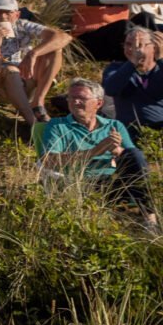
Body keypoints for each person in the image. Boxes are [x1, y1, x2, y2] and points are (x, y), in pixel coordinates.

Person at [36, 79, 154, 227]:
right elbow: (49, 160)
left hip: (113, 182)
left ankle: (150, 218)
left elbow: (133, 158)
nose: (75, 102)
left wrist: (117, 150)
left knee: (134, 155)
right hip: (78, 184)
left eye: (82, 98)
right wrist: (96, 150)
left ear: (98, 103)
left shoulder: (114, 126)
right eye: (71, 98)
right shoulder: (57, 125)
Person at [0, 0, 67, 124]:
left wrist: (33, 53)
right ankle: (32, 121)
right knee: (11, 70)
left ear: (17, 15)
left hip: (24, 78)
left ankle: (38, 102)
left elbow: (63, 38)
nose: (3, 17)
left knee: (55, 50)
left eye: (8, 12)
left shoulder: (22, 25)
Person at [102, 26, 163, 132]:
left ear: (154, 47)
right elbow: (110, 89)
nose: (132, 49)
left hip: (158, 134)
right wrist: (132, 62)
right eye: (128, 44)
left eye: (139, 45)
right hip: (129, 133)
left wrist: (161, 59)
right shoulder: (116, 68)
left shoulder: (159, 70)